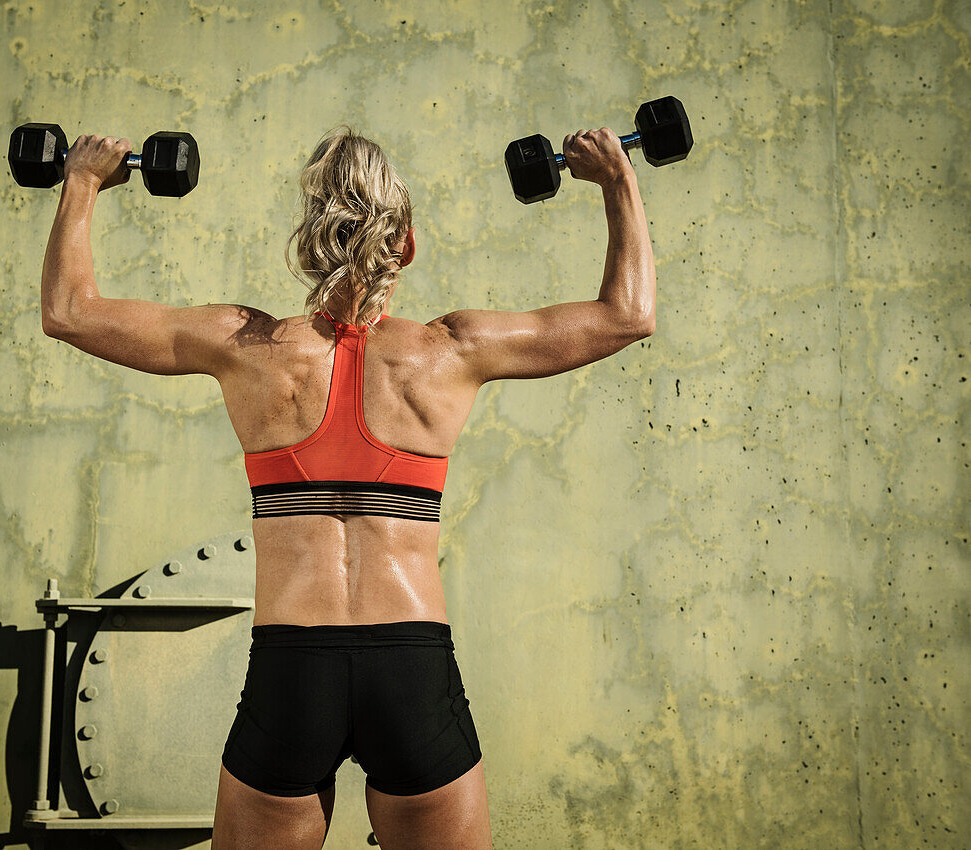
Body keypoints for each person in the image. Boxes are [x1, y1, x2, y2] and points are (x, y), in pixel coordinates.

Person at [40, 124, 655, 850]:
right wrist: (617, 179)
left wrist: (82, 181)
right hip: (412, 666)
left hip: (291, 667)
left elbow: (69, 311)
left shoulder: (246, 347)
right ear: (409, 243)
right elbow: (627, 314)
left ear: (308, 241)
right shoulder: (451, 351)